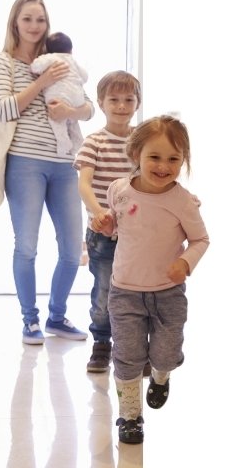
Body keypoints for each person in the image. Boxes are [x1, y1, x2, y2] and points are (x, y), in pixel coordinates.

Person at [91, 115, 209, 444]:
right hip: (125, 291)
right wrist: (106, 225)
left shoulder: (182, 201)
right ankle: (130, 416)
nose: (163, 166)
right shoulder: (119, 190)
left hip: (168, 293)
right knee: (127, 356)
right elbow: (118, 226)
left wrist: (185, 262)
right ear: (136, 155)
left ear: (183, 160)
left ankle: (161, 375)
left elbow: (201, 240)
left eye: (174, 159)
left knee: (166, 354)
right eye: (154, 157)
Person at [0, 0, 95, 345]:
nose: (34, 26)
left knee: (71, 248)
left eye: (41, 20)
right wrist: (41, 84)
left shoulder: (60, 59)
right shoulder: (1, 63)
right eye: (28, 18)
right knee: (27, 247)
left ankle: (57, 317)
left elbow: (88, 104)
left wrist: (71, 112)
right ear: (15, 22)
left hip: (65, 163)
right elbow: (2, 109)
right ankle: (29, 320)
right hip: (25, 164)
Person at [74, 70, 142, 373]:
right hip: (103, 234)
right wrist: (99, 212)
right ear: (101, 102)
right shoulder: (95, 142)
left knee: (138, 292)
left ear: (137, 103)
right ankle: (102, 343)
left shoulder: (142, 142)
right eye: (114, 99)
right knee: (104, 292)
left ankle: (135, 348)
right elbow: (84, 184)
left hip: (138, 233)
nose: (121, 105)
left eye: (128, 99)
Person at [30, 32, 88, 156]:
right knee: (72, 121)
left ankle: (63, 143)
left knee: (57, 120)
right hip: (77, 97)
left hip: (59, 96)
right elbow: (85, 76)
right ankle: (78, 142)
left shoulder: (51, 58)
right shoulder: (72, 60)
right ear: (71, 49)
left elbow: (36, 67)